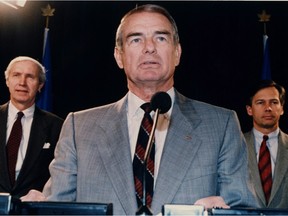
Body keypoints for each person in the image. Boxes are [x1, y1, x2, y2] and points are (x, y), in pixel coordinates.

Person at [21, 4, 257, 215]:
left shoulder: (221, 125)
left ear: (177, 53)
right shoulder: (78, 127)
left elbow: (243, 209)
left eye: (161, 38)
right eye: (136, 39)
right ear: (119, 56)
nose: (149, 48)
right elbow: (58, 210)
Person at [0, 56, 64, 198]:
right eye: (16, 75)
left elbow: (61, 175)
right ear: (7, 81)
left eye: (30, 77)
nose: (22, 83)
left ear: (40, 85)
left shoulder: (57, 127)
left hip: (33, 210)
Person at [244, 80, 288, 208]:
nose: (268, 108)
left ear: (282, 109)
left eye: (274, 102)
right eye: (260, 102)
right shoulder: (235, 145)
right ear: (249, 110)